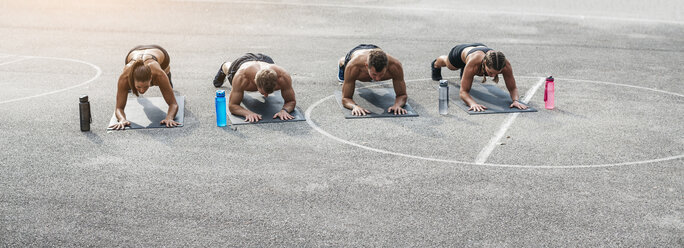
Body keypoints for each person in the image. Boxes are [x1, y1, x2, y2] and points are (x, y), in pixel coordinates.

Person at [431, 43, 528, 112]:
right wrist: (472, 103)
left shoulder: (505, 64)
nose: (493, 76)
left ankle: (465, 70)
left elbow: (513, 88)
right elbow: (463, 92)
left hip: (479, 48)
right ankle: (435, 64)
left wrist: (515, 100)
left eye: (497, 73)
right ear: (485, 63)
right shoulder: (474, 62)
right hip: (460, 53)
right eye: (490, 72)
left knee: (469, 71)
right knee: (450, 66)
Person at [110, 45, 180, 130]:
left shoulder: (158, 74)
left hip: (158, 52)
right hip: (134, 52)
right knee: (124, 87)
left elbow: (173, 104)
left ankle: (167, 74)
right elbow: (119, 108)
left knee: (165, 76)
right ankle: (131, 87)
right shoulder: (125, 77)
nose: (142, 91)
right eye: (138, 87)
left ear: (151, 78)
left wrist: (169, 117)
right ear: (132, 79)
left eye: (146, 86)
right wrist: (122, 119)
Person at [212, 53, 296, 123]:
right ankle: (224, 65)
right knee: (229, 69)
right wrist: (247, 113)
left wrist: (285, 110)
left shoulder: (283, 76)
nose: (266, 96)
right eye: (263, 93)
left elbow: (291, 101)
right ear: (255, 82)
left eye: (269, 93)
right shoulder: (242, 77)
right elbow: (232, 106)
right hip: (242, 63)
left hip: (265, 60)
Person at [337, 44, 408, 116]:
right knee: (347, 68)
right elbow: (346, 98)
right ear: (366, 65)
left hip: (376, 50)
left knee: (374, 75)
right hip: (356, 54)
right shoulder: (353, 66)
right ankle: (341, 62)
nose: (378, 79)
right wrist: (354, 106)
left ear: (387, 67)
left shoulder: (395, 66)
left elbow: (402, 95)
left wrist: (398, 105)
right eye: (374, 74)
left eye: (381, 74)